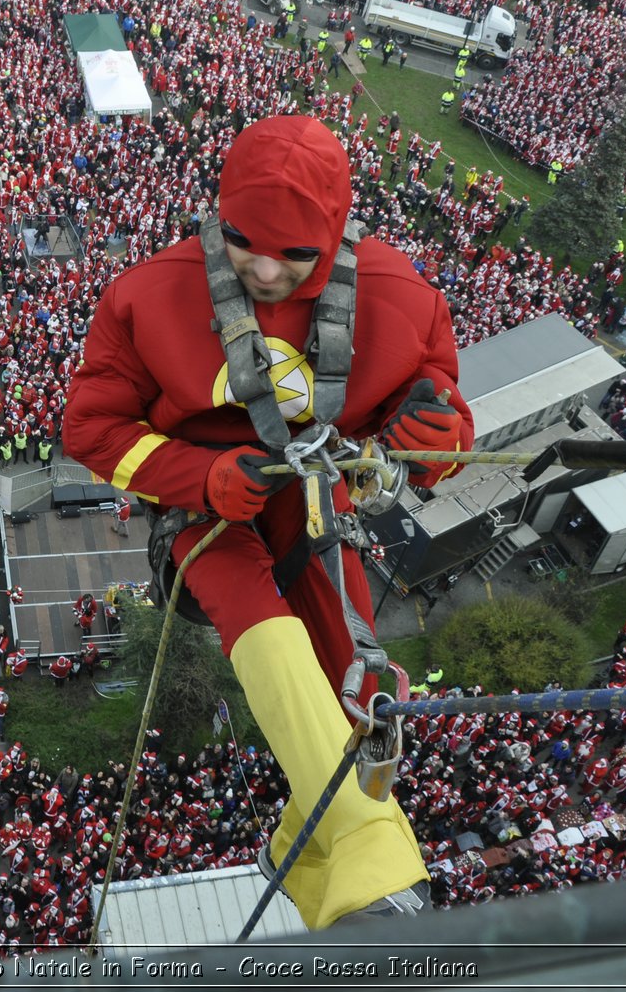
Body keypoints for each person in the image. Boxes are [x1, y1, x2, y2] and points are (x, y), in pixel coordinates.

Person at [63, 115, 472, 930]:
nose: (262, 267)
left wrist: (439, 441)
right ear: (220, 212)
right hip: (199, 509)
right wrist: (202, 474)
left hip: (316, 495)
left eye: (294, 253)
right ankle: (366, 856)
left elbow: (439, 421)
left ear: (333, 236)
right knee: (256, 615)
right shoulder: (147, 297)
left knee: (359, 671)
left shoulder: (401, 301)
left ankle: (306, 842)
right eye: (245, 239)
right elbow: (93, 429)